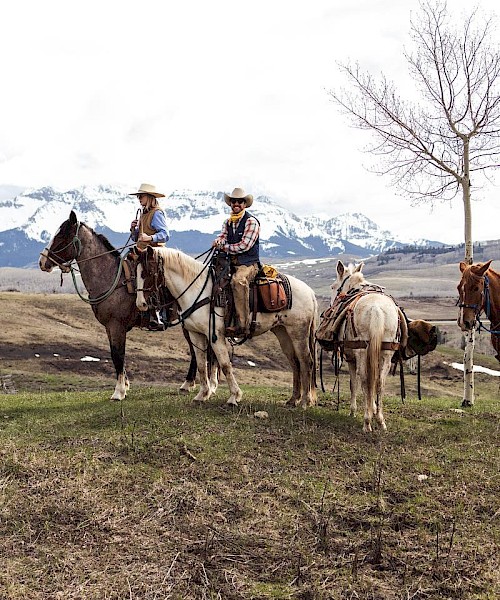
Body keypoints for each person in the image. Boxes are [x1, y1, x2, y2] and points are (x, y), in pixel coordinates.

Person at [212, 187, 260, 337]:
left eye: (240, 201)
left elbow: (244, 245)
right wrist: (218, 241)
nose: (236, 204)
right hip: (231, 262)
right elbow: (223, 236)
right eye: (233, 201)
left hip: (248, 263)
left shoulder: (251, 222)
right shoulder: (228, 222)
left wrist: (224, 247)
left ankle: (242, 325)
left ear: (245, 204)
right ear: (230, 204)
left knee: (238, 282)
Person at [129, 183, 170, 329]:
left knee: (149, 279)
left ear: (150, 197)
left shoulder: (157, 213)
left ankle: (157, 315)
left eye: (142, 196)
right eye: (138, 196)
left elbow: (165, 235)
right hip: (142, 252)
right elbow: (137, 238)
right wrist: (133, 229)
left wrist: (150, 238)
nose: (139, 198)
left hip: (154, 253)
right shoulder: (143, 213)